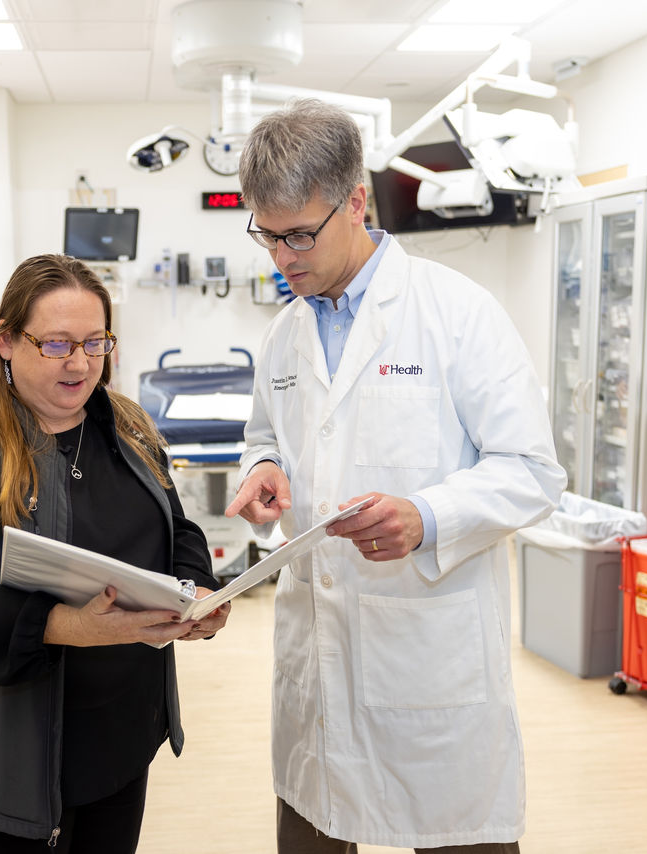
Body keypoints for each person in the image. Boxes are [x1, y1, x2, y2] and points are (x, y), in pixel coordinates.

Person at [224, 99, 567, 853]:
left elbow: (534, 471)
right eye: (267, 236)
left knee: (455, 833)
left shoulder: (458, 314)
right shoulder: (284, 334)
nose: (283, 258)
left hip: (427, 665)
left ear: (355, 201)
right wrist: (265, 467)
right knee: (314, 828)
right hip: (317, 660)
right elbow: (263, 434)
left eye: (300, 235)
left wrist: (428, 516)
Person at [0, 253, 229, 853]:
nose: (80, 363)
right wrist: (77, 626)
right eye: (55, 344)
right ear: (6, 342)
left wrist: (198, 588)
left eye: (95, 341)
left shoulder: (125, 424)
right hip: (6, 762)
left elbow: (176, 527)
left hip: (119, 742)